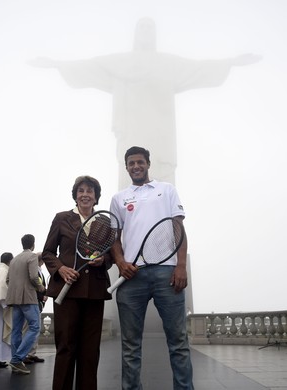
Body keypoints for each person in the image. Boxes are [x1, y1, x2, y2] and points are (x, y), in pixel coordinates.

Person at [29, 17, 261, 188]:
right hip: (131, 126)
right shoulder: (120, 62)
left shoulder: (168, 64)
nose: (146, 32)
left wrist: (230, 62)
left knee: (162, 178)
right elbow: (91, 67)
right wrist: (58, 64)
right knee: (129, 172)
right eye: (142, 27)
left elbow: (198, 68)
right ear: (136, 33)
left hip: (161, 128)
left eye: (151, 28)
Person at [110, 146, 194, 390]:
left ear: (148, 164)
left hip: (167, 272)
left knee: (178, 341)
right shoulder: (118, 198)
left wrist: (180, 266)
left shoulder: (166, 190)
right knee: (130, 345)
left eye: (140, 162)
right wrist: (120, 262)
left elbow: (179, 229)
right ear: (126, 167)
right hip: (131, 276)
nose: (136, 166)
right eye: (131, 163)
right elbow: (114, 238)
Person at [42, 175, 113, 390]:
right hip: (67, 291)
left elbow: (110, 255)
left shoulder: (105, 222)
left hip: (95, 293)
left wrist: (103, 261)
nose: (85, 194)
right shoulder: (61, 218)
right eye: (81, 190)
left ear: (96, 197)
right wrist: (61, 269)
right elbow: (47, 252)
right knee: (66, 347)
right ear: (75, 195)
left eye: (89, 191)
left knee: (90, 351)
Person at [6, 234, 45, 375]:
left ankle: (16, 360)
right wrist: (41, 287)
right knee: (35, 327)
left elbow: (8, 279)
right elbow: (34, 277)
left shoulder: (15, 259)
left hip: (14, 299)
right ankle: (17, 360)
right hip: (28, 298)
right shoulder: (32, 256)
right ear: (33, 244)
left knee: (16, 330)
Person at [24, 252, 47, 364]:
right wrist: (42, 295)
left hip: (37, 302)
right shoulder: (34, 271)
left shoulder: (38, 270)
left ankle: (32, 353)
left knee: (35, 329)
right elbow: (33, 285)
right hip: (34, 301)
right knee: (32, 328)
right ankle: (27, 354)